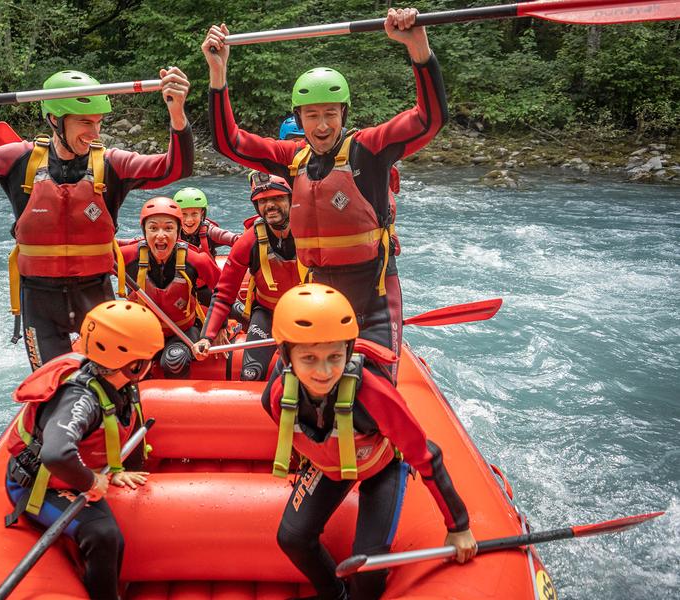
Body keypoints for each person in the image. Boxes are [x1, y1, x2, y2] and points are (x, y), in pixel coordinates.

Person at [203, 7, 446, 384]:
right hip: (317, 297)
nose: (322, 125)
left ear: (343, 113)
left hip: (373, 298)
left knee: (372, 396)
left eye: (330, 113)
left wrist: (418, 47)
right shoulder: (293, 159)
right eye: (312, 115)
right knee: (301, 398)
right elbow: (229, 140)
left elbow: (428, 118)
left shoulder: (369, 149)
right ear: (299, 121)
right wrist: (218, 74)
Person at [0, 67, 194, 370]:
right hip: (40, 302)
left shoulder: (112, 163)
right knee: (54, 389)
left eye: (98, 123)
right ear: (54, 120)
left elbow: (175, 168)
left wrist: (177, 112)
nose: (95, 133)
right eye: (85, 123)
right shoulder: (17, 159)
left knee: (114, 384)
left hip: (96, 295)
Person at [263, 284, 477, 600]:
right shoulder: (278, 394)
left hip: (381, 468)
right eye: (309, 358)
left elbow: (426, 454)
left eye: (335, 356)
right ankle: (334, 594)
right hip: (331, 466)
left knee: (369, 566)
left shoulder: (373, 395)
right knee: (292, 537)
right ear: (286, 357)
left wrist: (458, 526)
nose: (323, 372)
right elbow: (294, 430)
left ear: (348, 352)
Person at [3, 300, 164, 600]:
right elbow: (55, 453)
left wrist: (113, 472)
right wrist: (92, 481)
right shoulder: (81, 399)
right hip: (38, 484)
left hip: (65, 473)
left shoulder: (113, 381)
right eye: (148, 358)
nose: (151, 364)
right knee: (103, 535)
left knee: (110, 536)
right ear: (134, 365)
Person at [193, 173, 298, 381]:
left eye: (277, 198)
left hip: (308, 315)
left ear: (291, 200)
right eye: (263, 201)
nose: (270, 205)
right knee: (250, 374)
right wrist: (206, 336)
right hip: (267, 314)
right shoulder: (249, 241)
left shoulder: (311, 232)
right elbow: (224, 294)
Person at [118, 196, 220, 378]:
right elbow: (93, 268)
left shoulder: (196, 259)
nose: (160, 235)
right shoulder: (127, 256)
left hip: (182, 332)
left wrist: (217, 329)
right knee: (124, 363)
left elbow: (222, 293)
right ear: (144, 231)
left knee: (175, 360)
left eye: (168, 228)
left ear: (178, 231)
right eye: (153, 228)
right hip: (142, 333)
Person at [173, 187, 240, 258]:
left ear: (202, 213)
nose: (189, 219)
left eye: (194, 214)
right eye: (184, 214)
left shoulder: (210, 231)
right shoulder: (173, 232)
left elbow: (238, 240)